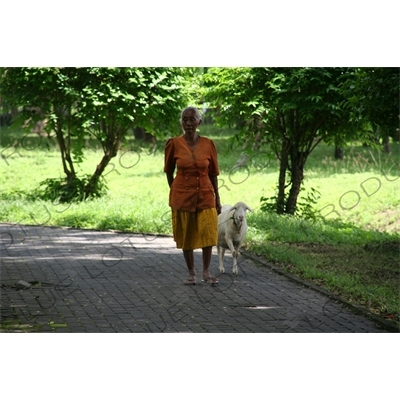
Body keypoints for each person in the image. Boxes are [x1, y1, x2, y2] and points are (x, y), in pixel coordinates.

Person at [164, 106, 222, 285]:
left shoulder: (208, 144)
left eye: (192, 119)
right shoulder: (173, 144)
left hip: (205, 195)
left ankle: (206, 271)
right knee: (186, 234)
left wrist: (217, 198)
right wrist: (176, 190)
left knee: (208, 232)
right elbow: (168, 171)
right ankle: (191, 273)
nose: (188, 123)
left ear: (199, 122)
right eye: (185, 120)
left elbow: (213, 173)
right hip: (183, 197)